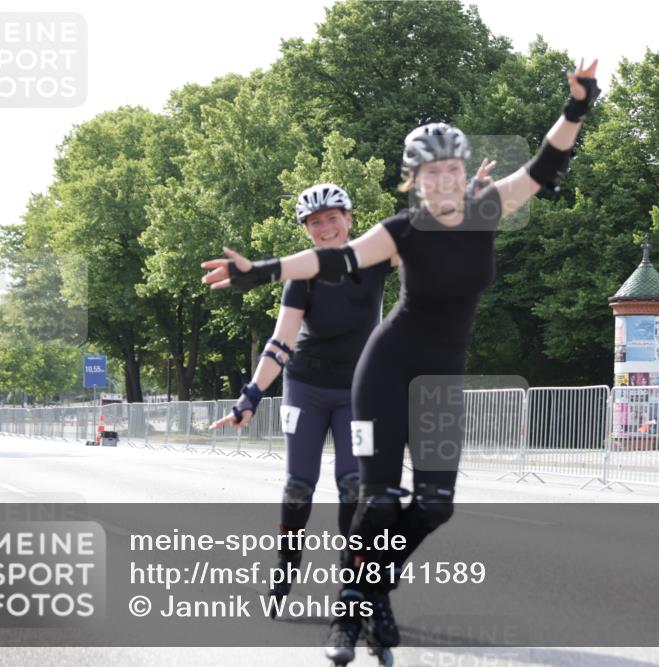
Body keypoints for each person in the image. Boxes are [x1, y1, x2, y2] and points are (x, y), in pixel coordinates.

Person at [202, 58, 599, 665]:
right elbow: (336, 261)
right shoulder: (399, 231)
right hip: (385, 370)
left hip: (440, 379)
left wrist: (577, 104)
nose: (442, 181)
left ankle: (372, 587)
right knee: (378, 500)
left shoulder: (488, 208)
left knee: (436, 503)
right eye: (430, 174)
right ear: (412, 181)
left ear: (462, 173)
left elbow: (546, 163)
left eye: (451, 170)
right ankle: (351, 612)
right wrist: (261, 270)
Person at [208, 183, 396, 614]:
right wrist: (251, 395)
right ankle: (286, 564)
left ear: (350, 219)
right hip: (306, 388)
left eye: (333, 217)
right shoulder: (301, 276)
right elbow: (281, 342)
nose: (326, 227)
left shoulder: (376, 258)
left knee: (355, 488)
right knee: (298, 488)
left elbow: (428, 240)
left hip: (358, 392)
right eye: (316, 222)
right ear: (307, 231)